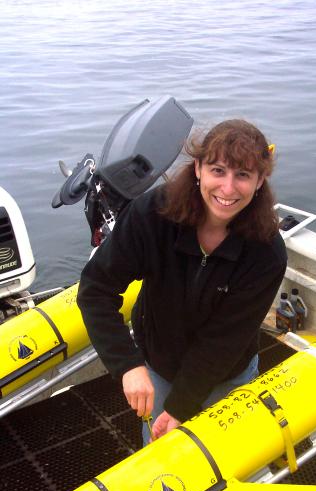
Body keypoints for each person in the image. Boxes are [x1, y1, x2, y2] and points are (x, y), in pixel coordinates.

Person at [77, 119, 287, 445]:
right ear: (198, 168)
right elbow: (96, 290)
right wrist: (128, 365)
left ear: (260, 181)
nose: (228, 189)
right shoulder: (152, 215)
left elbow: (224, 341)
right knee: (160, 460)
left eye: (242, 175)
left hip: (228, 373)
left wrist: (180, 408)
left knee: (227, 455)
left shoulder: (266, 252)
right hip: (158, 364)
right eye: (218, 170)